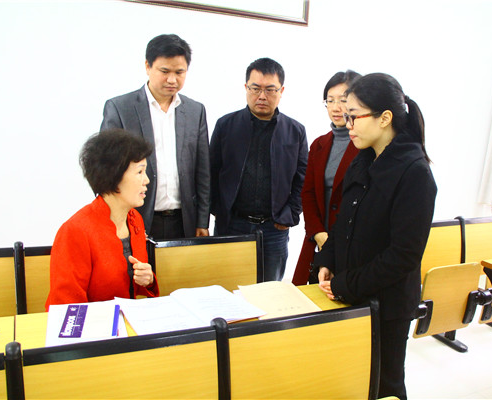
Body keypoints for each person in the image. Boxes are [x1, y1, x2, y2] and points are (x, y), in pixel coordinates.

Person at [313, 73, 437, 399]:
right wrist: (327, 260)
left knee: (384, 386)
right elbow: (343, 222)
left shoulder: (415, 173)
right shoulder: (365, 159)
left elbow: (403, 256)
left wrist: (345, 284)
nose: (348, 124)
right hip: (352, 293)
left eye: (354, 116)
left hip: (388, 306)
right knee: (350, 381)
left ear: (384, 118)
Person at [100, 33, 210, 240]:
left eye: (179, 72)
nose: (172, 79)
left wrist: (202, 220)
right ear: (147, 66)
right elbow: (105, 170)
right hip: (135, 218)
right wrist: (116, 220)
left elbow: (203, 171)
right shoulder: (120, 108)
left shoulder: (195, 111)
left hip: (184, 221)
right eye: (164, 71)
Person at [210, 57, 308, 282]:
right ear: (246, 88)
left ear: (281, 91)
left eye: (270, 90)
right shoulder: (226, 125)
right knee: (227, 287)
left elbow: (302, 178)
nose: (262, 96)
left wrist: (290, 215)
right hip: (232, 226)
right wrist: (220, 210)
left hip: (274, 228)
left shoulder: (295, 131)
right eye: (255, 88)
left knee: (269, 292)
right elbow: (212, 171)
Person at [46, 129, 159, 309]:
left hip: (127, 318)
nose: (146, 180)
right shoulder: (76, 231)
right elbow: (65, 308)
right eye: (140, 172)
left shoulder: (134, 219)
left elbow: (131, 286)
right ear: (114, 175)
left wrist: (148, 280)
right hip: (96, 325)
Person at [291, 70, 361, 286]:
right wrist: (318, 233)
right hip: (319, 240)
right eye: (330, 100)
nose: (336, 107)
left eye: (343, 100)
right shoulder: (319, 144)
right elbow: (308, 193)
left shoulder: (365, 144)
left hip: (352, 243)